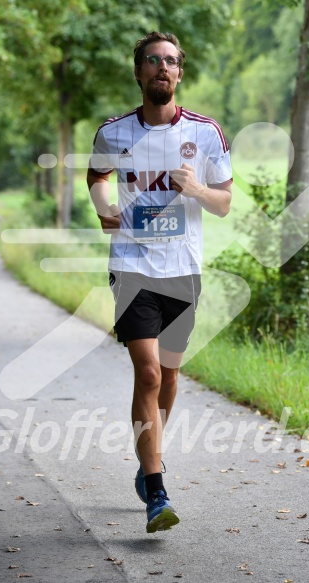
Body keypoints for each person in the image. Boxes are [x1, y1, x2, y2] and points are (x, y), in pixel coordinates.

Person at [87, 31, 232, 533]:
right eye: (152, 61)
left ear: (179, 73)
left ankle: (149, 456)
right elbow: (97, 176)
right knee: (148, 374)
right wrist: (105, 207)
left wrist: (196, 188)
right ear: (139, 72)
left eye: (170, 61)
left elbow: (224, 202)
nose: (161, 68)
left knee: (169, 377)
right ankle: (156, 488)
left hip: (183, 268)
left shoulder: (206, 133)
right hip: (132, 265)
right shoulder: (113, 131)